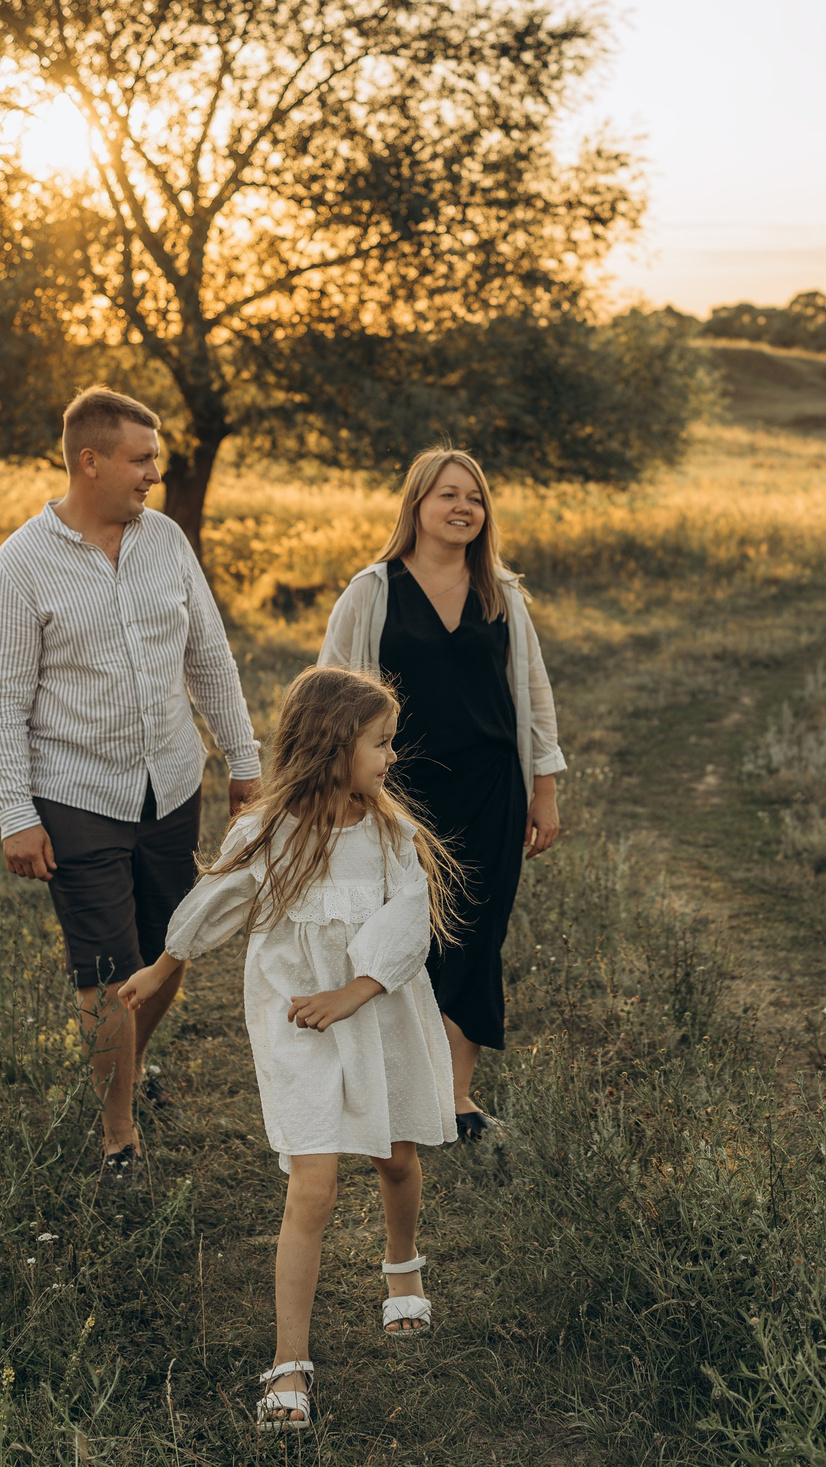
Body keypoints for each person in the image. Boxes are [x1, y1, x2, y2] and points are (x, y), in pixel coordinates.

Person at [119, 665, 460, 1433]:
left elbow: (409, 923)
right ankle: (290, 1360)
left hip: (376, 1014)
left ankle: (401, 1261)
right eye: (380, 742)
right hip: (296, 1023)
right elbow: (214, 902)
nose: (390, 758)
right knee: (312, 1184)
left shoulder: (389, 835)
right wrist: (163, 962)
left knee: (395, 1156)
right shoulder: (267, 830)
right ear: (333, 745)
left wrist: (354, 990)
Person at [0, 386, 262, 1190]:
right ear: (89, 461)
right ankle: (119, 1141)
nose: (154, 475)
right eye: (141, 460)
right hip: (74, 796)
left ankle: (127, 1064)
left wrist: (244, 756)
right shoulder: (18, 567)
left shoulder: (166, 541)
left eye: (155, 459)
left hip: (170, 782)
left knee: (173, 950)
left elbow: (210, 655)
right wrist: (16, 813)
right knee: (105, 970)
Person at [317, 448, 564, 1138]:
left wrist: (543, 789)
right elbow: (331, 694)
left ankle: (457, 1099)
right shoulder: (372, 590)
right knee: (401, 933)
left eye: (475, 498)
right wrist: (336, 791)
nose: (463, 508)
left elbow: (535, 698)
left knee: (477, 938)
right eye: (448, 494)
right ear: (417, 504)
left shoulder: (502, 593)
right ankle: (391, 1086)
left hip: (492, 791)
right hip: (397, 796)